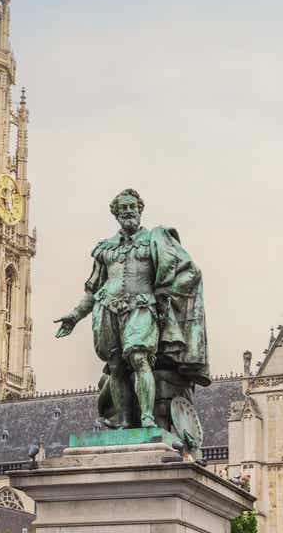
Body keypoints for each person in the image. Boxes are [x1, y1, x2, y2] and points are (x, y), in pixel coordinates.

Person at [55, 188, 209, 453]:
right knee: (115, 366)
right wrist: (75, 315)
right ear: (115, 213)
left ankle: (147, 418)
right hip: (107, 309)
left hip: (141, 307)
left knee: (139, 358)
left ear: (140, 210)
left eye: (132, 207)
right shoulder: (105, 248)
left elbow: (191, 272)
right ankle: (125, 422)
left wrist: (166, 293)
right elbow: (92, 290)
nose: (128, 212)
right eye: (123, 208)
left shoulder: (155, 240)